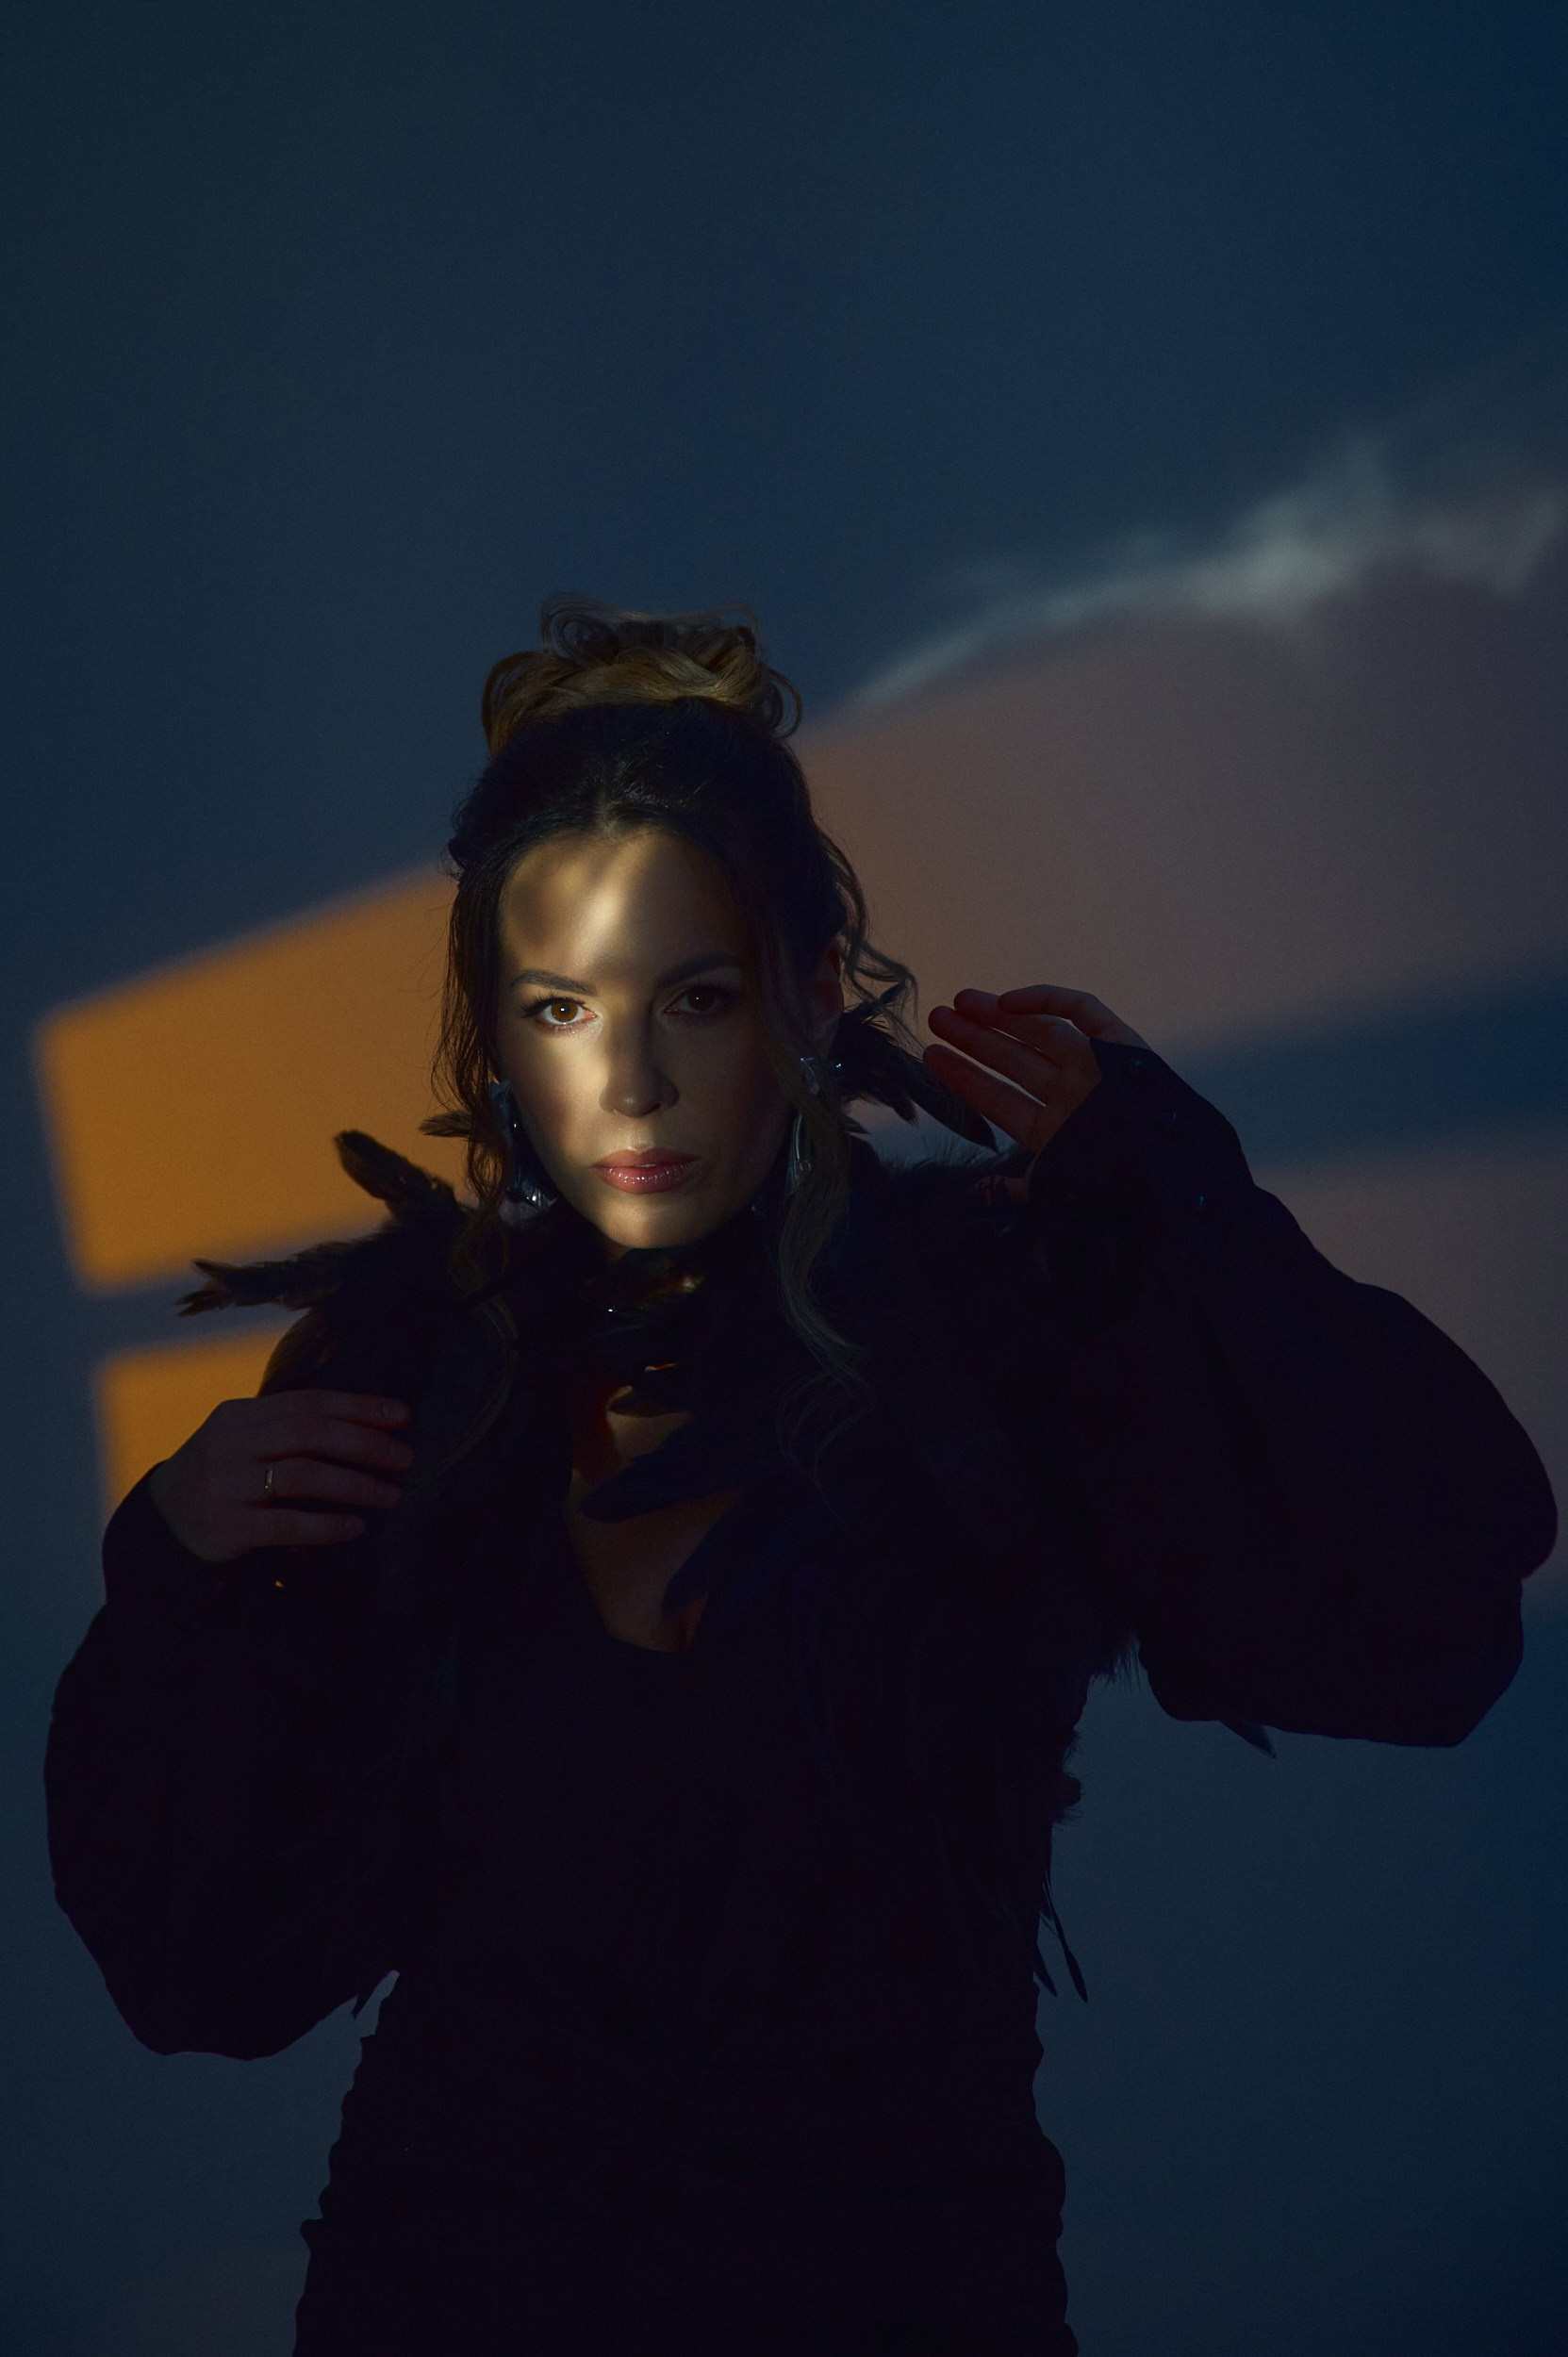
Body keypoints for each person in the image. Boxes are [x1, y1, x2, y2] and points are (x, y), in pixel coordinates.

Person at [44, 598, 1557, 2356]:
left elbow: (1432, 1632)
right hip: (450, 2295)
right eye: (559, 1008)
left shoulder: (1002, 1343)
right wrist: (175, 1576)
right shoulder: (408, 1389)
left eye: (694, 996)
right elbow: (208, 1980)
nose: (631, 1084)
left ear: (813, 990)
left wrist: (1186, 1216)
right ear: (496, 1039)